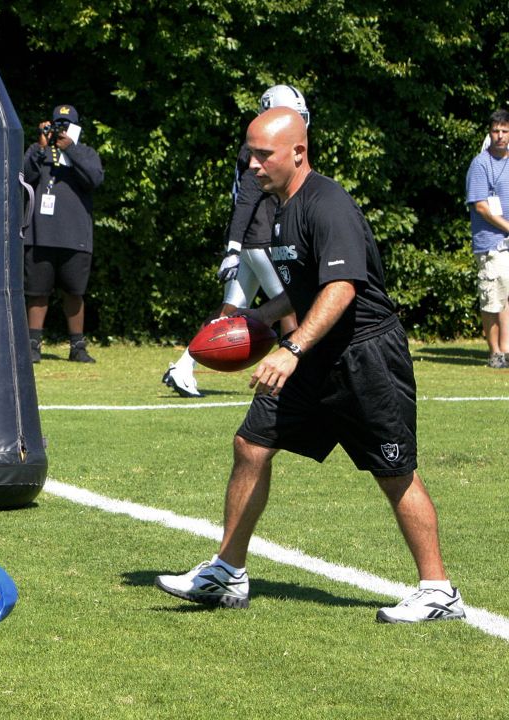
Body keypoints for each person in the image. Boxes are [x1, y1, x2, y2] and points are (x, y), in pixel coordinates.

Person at [155, 108, 467, 624]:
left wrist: (291, 348)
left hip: (365, 356)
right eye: (248, 153)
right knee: (251, 444)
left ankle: (439, 591)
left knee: (394, 471)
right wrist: (253, 320)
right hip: (314, 353)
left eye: (263, 154)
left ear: (297, 152)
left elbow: (342, 287)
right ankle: (227, 572)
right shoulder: (277, 206)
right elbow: (304, 287)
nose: (252, 164)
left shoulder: (328, 203)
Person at [162, 85, 307, 397]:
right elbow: (247, 200)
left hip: (252, 242)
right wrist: (233, 247)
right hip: (261, 241)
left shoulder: (257, 147)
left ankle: (183, 366)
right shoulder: (262, 151)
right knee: (290, 307)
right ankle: (298, 377)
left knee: (230, 309)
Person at [22, 104, 104, 363]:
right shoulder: (40, 151)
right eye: (58, 124)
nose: (62, 130)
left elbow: (95, 179)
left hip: (75, 236)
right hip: (40, 234)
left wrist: (70, 147)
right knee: (37, 291)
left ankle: (77, 346)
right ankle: (32, 344)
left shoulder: (86, 153)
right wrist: (42, 146)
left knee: (74, 292)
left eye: (66, 126)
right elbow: (24, 175)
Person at [464, 108, 509, 369]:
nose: (500, 136)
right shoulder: (480, 164)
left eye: (505, 131)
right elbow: (480, 205)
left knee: (506, 295)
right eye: (496, 131)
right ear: (489, 133)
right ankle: (494, 353)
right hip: (491, 241)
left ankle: (505, 349)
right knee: (493, 296)